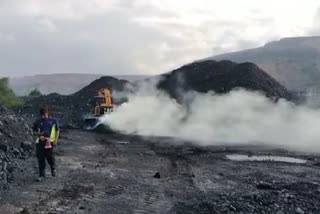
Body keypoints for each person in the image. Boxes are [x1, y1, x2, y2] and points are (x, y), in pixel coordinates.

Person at [32, 107, 60, 181]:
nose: (43, 117)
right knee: (40, 159)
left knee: (50, 157)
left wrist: (55, 140)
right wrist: (38, 136)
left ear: (47, 113)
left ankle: (53, 169)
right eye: (42, 115)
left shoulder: (53, 121)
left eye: (44, 115)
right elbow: (34, 131)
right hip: (40, 143)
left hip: (49, 142)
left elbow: (57, 131)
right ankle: (41, 175)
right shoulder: (37, 122)